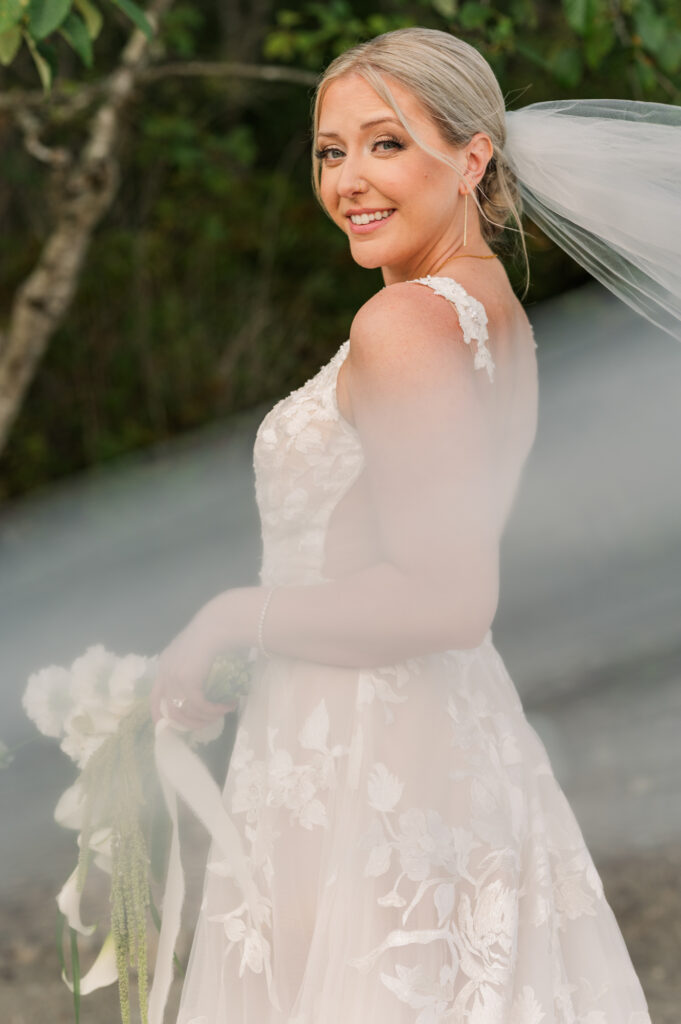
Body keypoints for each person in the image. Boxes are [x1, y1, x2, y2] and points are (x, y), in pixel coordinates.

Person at [151, 27, 654, 1024]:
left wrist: (225, 618)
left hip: (373, 753)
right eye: (330, 150)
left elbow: (448, 595)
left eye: (385, 143)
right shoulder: (489, 304)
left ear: (471, 159)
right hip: (437, 730)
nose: (349, 179)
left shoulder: (408, 323)